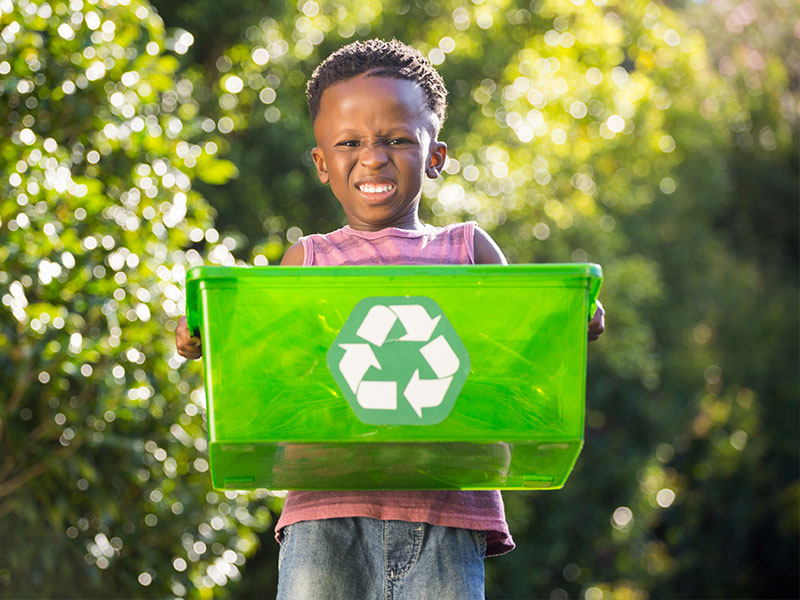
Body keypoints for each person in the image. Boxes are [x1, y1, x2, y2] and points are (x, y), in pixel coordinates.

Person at [177, 38, 605, 599]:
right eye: (349, 142)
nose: (373, 157)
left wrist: (566, 321)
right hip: (324, 511)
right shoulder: (308, 260)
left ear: (435, 157)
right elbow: (272, 372)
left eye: (397, 140)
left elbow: (514, 359)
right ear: (321, 162)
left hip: (447, 513)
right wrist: (210, 334)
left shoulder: (467, 249)